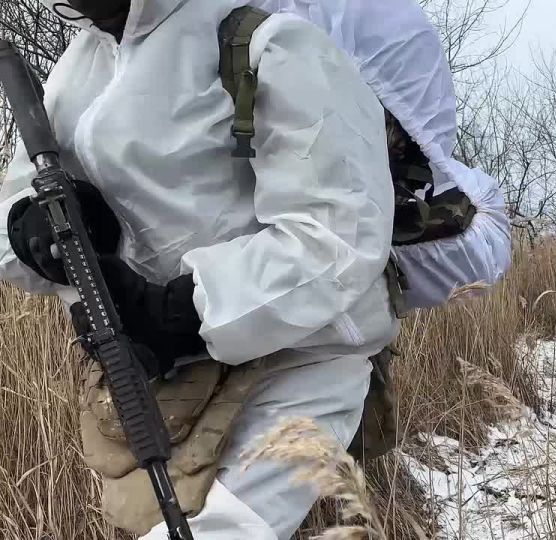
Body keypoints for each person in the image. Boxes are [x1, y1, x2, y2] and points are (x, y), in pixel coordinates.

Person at [0, 0, 425, 537]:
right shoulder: (73, 75)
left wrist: (177, 312)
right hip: (158, 383)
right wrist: (31, 229)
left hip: (298, 365)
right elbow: (14, 215)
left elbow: (337, 235)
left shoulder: (270, 45)